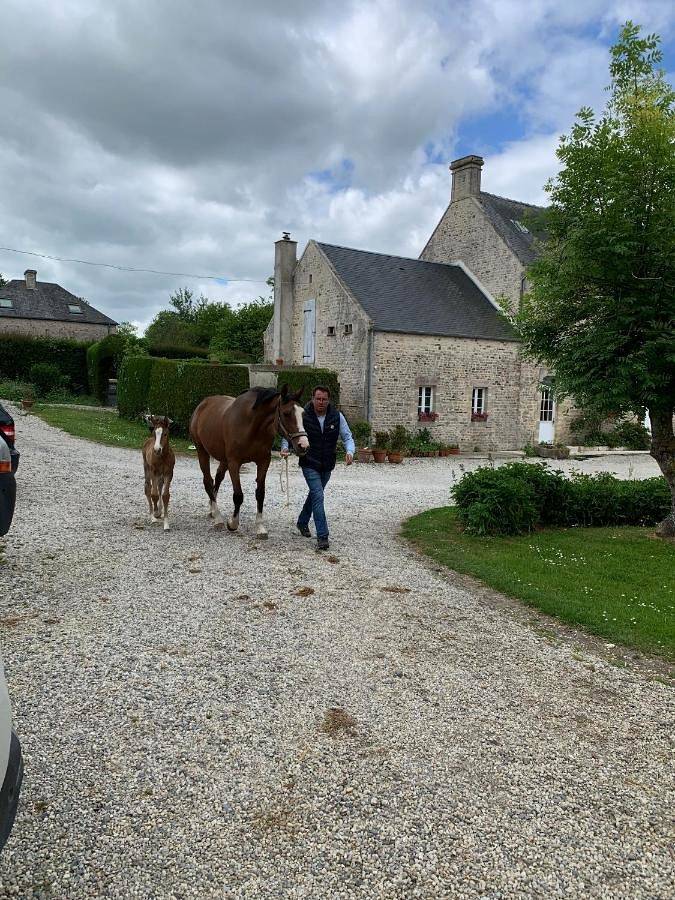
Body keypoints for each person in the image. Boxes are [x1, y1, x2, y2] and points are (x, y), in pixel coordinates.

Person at [280, 385, 355, 551]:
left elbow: (347, 436)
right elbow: (290, 430)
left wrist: (350, 451)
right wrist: (285, 447)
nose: (321, 402)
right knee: (318, 495)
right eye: (318, 399)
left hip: (327, 464)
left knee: (315, 495)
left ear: (328, 400)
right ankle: (323, 536)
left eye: (324, 399)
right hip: (309, 462)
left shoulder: (337, 416)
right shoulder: (303, 414)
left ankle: (302, 522)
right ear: (312, 399)